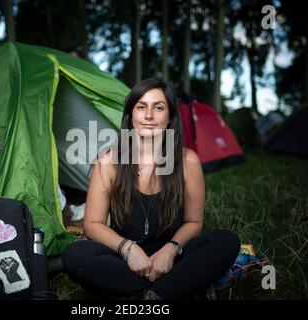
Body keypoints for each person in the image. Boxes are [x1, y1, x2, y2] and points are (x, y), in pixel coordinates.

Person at [62, 79, 240, 300]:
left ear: (170, 118)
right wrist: (128, 249)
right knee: (75, 254)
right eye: (141, 107)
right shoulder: (108, 161)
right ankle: (173, 291)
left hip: (172, 259)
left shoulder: (188, 161)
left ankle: (144, 295)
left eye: (158, 107)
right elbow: (92, 224)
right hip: (124, 258)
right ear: (131, 116)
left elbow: (194, 222)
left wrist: (170, 250)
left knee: (226, 241)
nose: (149, 115)